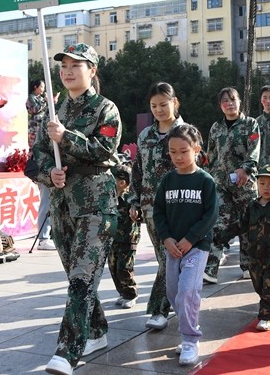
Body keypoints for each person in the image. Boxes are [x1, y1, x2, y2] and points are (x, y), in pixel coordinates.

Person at [34, 43, 121, 375]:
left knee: (82, 277)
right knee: (77, 276)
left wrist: (66, 137)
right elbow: (36, 157)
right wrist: (49, 174)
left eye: (76, 65)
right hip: (62, 206)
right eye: (64, 66)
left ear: (92, 70)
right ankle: (96, 330)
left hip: (96, 204)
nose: (68, 71)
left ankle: (67, 351)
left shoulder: (105, 108)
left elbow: (105, 150)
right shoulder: (54, 112)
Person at [153, 124, 218, 367]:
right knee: (174, 293)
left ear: (196, 150)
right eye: (173, 152)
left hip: (197, 247)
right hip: (173, 248)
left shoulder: (205, 181)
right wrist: (166, 238)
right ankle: (189, 323)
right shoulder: (167, 180)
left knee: (188, 291)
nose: (178, 157)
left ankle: (190, 339)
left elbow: (211, 215)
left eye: (183, 151)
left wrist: (191, 239)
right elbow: (159, 212)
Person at [129, 82, 186, 330]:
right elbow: (137, 170)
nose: (159, 110)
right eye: (154, 106)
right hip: (151, 208)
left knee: (169, 259)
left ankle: (159, 309)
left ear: (175, 103)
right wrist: (134, 200)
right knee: (166, 259)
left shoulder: (186, 133)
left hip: (180, 207)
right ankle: (176, 302)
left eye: (163, 104)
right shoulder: (145, 135)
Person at [216, 165, 270, 331]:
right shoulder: (252, 206)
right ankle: (267, 304)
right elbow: (241, 225)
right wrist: (220, 236)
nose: (266, 188)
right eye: (262, 183)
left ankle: (268, 316)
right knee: (259, 286)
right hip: (255, 255)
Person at [204, 87, 260, 284]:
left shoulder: (250, 124)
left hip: (244, 184)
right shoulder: (216, 127)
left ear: (239, 101)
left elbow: (254, 151)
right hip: (221, 184)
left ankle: (248, 266)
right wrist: (208, 177)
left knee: (247, 224)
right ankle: (210, 268)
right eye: (225, 101)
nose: (229, 104)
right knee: (218, 224)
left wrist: (246, 169)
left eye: (233, 99)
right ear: (220, 105)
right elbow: (211, 155)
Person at [27, 79, 60, 250]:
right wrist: (49, 103)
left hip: (53, 163)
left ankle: (50, 234)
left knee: (52, 202)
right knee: (46, 201)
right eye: (41, 86)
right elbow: (34, 110)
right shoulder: (33, 100)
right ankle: (43, 238)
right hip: (42, 164)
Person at [108, 159, 140, 309]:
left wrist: (136, 211)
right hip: (113, 239)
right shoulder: (109, 198)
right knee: (113, 267)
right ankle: (122, 292)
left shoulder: (130, 199)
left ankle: (130, 294)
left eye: (111, 180)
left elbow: (138, 213)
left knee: (124, 268)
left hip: (128, 239)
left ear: (122, 182)